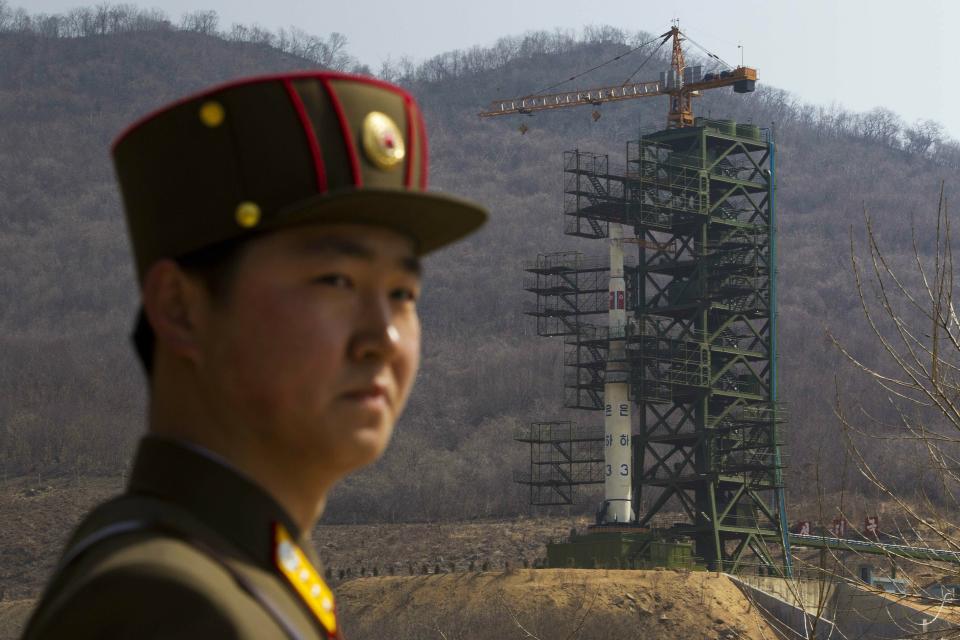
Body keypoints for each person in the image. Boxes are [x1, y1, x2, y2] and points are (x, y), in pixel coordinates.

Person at [22, 71, 487, 639]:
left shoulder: (246, 578)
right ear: (180, 309)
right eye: (335, 280)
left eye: (402, 294)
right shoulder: (161, 605)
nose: (384, 338)